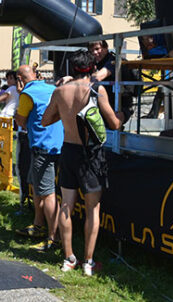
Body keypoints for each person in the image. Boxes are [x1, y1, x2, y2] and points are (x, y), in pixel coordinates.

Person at [41, 49, 123, 276]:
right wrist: (123, 114)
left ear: (72, 69)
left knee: (66, 205)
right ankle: (88, 262)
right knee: (92, 209)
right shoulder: (96, 90)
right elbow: (114, 123)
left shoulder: (60, 91)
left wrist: (65, 113)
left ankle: (68, 258)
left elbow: (45, 120)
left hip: (69, 150)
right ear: (93, 68)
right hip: (91, 154)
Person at [14, 64, 63, 252]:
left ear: (19, 79)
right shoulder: (50, 88)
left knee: (47, 193)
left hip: (42, 146)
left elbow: (21, 121)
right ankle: (38, 225)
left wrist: (20, 94)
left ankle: (54, 238)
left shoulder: (27, 94)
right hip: (57, 143)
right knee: (37, 186)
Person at [88, 40, 135, 125]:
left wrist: (78, 80)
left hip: (120, 107)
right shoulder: (98, 63)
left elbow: (97, 77)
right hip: (105, 105)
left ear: (106, 48)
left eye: (97, 49)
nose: (94, 53)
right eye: (91, 51)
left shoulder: (113, 61)